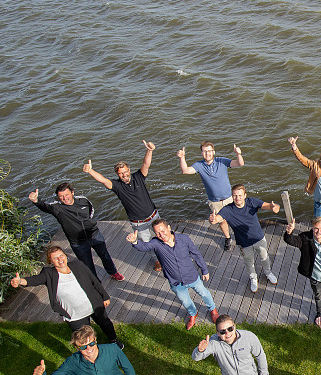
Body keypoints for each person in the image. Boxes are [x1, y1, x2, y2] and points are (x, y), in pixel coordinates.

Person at [10, 246, 123, 348]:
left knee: (105, 323)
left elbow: (94, 281)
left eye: (61, 256)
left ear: (66, 256)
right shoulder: (48, 274)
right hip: (74, 313)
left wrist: (105, 296)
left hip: (94, 304)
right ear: (51, 261)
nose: (60, 260)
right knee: (83, 336)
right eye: (55, 258)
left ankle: (114, 341)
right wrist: (21, 281)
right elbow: (34, 280)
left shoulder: (78, 265)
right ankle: (91, 350)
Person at [83, 140, 163, 272]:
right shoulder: (117, 186)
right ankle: (157, 259)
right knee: (148, 243)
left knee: (161, 235)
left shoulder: (139, 177)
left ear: (129, 170)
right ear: (117, 174)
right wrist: (91, 171)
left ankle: (167, 253)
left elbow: (146, 164)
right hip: (138, 222)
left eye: (125, 171)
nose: (124, 175)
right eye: (120, 173)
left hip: (154, 216)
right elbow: (103, 180)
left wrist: (150, 150)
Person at [127, 219, 219, 330]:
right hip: (175, 282)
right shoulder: (156, 243)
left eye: (163, 230)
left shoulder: (184, 239)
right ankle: (193, 314)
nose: (161, 234)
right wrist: (134, 242)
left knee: (204, 293)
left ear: (169, 228)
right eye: (157, 233)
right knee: (185, 300)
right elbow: (144, 247)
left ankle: (212, 309)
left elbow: (196, 254)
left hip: (191, 276)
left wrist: (204, 270)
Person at [28, 183, 124, 280]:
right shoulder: (57, 208)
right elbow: (46, 207)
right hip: (78, 242)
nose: (65, 198)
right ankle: (95, 282)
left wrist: (89, 223)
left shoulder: (83, 200)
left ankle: (113, 272)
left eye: (67, 195)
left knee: (105, 256)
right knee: (87, 265)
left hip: (94, 235)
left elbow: (91, 210)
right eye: (61, 196)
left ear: (72, 192)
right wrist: (36, 201)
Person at [209, 184, 280, 293]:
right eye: (235, 195)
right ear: (232, 196)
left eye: (240, 195)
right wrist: (212, 219)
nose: (237, 198)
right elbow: (217, 219)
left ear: (245, 195)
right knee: (249, 262)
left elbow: (269, 206)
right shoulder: (228, 210)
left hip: (259, 239)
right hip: (244, 243)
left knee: (264, 257)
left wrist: (275, 207)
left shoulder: (252, 202)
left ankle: (268, 272)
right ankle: (253, 278)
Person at [177, 141, 244, 251]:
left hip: (229, 198)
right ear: (202, 153)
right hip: (214, 201)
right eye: (204, 151)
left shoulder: (221, 161)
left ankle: (241, 237)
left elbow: (239, 164)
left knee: (237, 218)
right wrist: (182, 158)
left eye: (209, 151)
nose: (207, 153)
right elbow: (185, 170)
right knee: (221, 221)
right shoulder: (199, 165)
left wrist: (238, 154)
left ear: (213, 152)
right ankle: (228, 238)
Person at [283, 217, 321, 323]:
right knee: (318, 297)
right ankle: (320, 313)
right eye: (316, 228)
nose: (319, 232)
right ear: (312, 228)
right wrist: (289, 233)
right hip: (316, 276)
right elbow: (291, 241)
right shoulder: (305, 238)